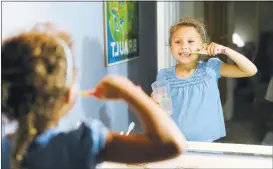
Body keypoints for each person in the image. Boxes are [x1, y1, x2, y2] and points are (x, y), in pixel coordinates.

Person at [1, 23, 187, 169]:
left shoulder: (4, 149)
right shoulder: (81, 143)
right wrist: (129, 91)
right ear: (67, 95)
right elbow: (173, 143)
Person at [152, 16, 257, 142]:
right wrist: (154, 104)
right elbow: (162, 110)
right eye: (178, 42)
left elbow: (251, 70)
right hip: (175, 141)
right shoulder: (164, 75)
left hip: (209, 141)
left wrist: (225, 50)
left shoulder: (211, 68)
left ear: (202, 46)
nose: (184, 46)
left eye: (190, 42)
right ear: (170, 47)